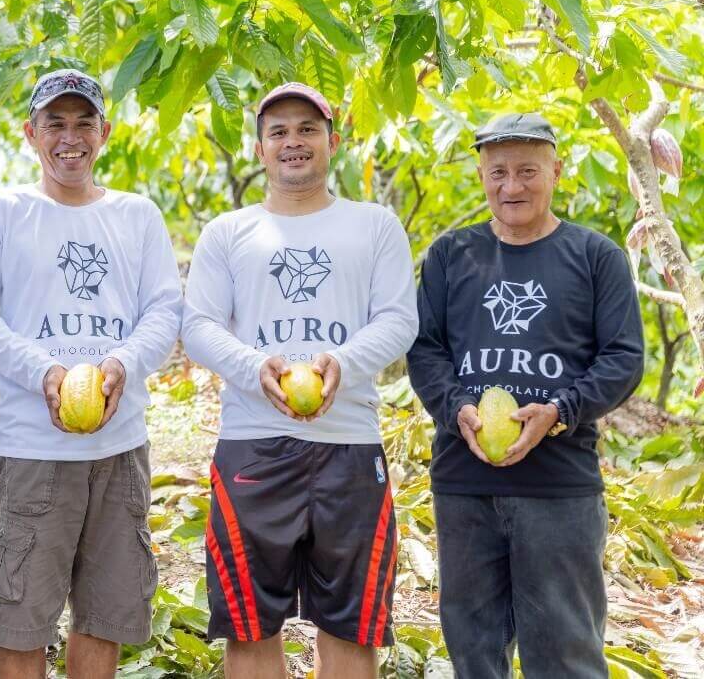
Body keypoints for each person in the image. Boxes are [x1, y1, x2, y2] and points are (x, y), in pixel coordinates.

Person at [181, 82, 418, 679]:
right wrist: (252, 367)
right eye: (278, 131)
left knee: (349, 622)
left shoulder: (374, 225)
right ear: (259, 148)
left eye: (308, 129)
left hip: (350, 445)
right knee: (249, 621)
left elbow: (398, 319)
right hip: (253, 445)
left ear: (332, 142)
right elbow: (201, 326)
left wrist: (343, 362)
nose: (293, 142)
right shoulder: (229, 232)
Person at [0, 69, 182, 678]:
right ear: (31, 133)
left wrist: (120, 366)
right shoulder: (1, 212)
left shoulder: (136, 216)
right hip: (34, 451)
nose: (70, 137)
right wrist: (44, 372)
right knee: (23, 616)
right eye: (55, 123)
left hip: (121, 446)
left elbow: (164, 309)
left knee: (105, 613)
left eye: (84, 123)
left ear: (105, 132)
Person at [407, 113, 644, 678]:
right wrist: (453, 407)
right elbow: (425, 349)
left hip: (558, 486)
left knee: (565, 652)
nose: (511, 186)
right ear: (483, 175)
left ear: (557, 172)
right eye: (498, 172)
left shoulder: (595, 257)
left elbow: (624, 359)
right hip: (465, 484)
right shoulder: (450, 255)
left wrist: (561, 412)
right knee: (474, 649)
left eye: (527, 172)